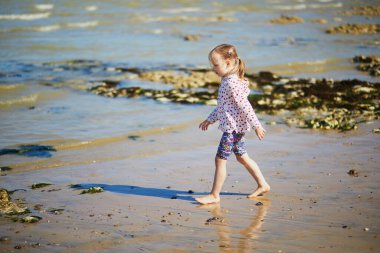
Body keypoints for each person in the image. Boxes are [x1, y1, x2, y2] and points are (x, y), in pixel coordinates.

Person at [195, 44, 270, 205]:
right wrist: (210, 119)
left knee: (220, 159)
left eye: (216, 65)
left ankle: (215, 195)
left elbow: (245, 105)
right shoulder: (228, 80)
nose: (213, 69)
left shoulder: (231, 82)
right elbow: (224, 106)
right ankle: (263, 184)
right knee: (242, 157)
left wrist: (257, 125)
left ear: (228, 63)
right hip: (237, 129)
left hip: (232, 130)